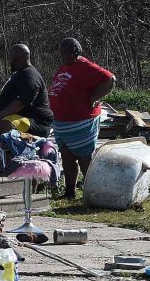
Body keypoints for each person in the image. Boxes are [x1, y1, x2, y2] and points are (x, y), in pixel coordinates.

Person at [48, 38, 116, 198]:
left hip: (81, 121)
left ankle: (93, 192)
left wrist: (93, 98)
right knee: (66, 156)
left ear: (74, 53)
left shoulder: (85, 66)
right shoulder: (65, 67)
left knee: (84, 156)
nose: (61, 56)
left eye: (64, 54)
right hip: (61, 122)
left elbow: (110, 79)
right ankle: (70, 191)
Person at [0, 44, 54, 138]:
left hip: (36, 122)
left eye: (11, 58)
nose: (9, 61)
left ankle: (8, 151)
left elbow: (20, 103)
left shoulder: (30, 76)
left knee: (5, 124)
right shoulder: (20, 74)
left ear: (20, 59)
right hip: (23, 118)